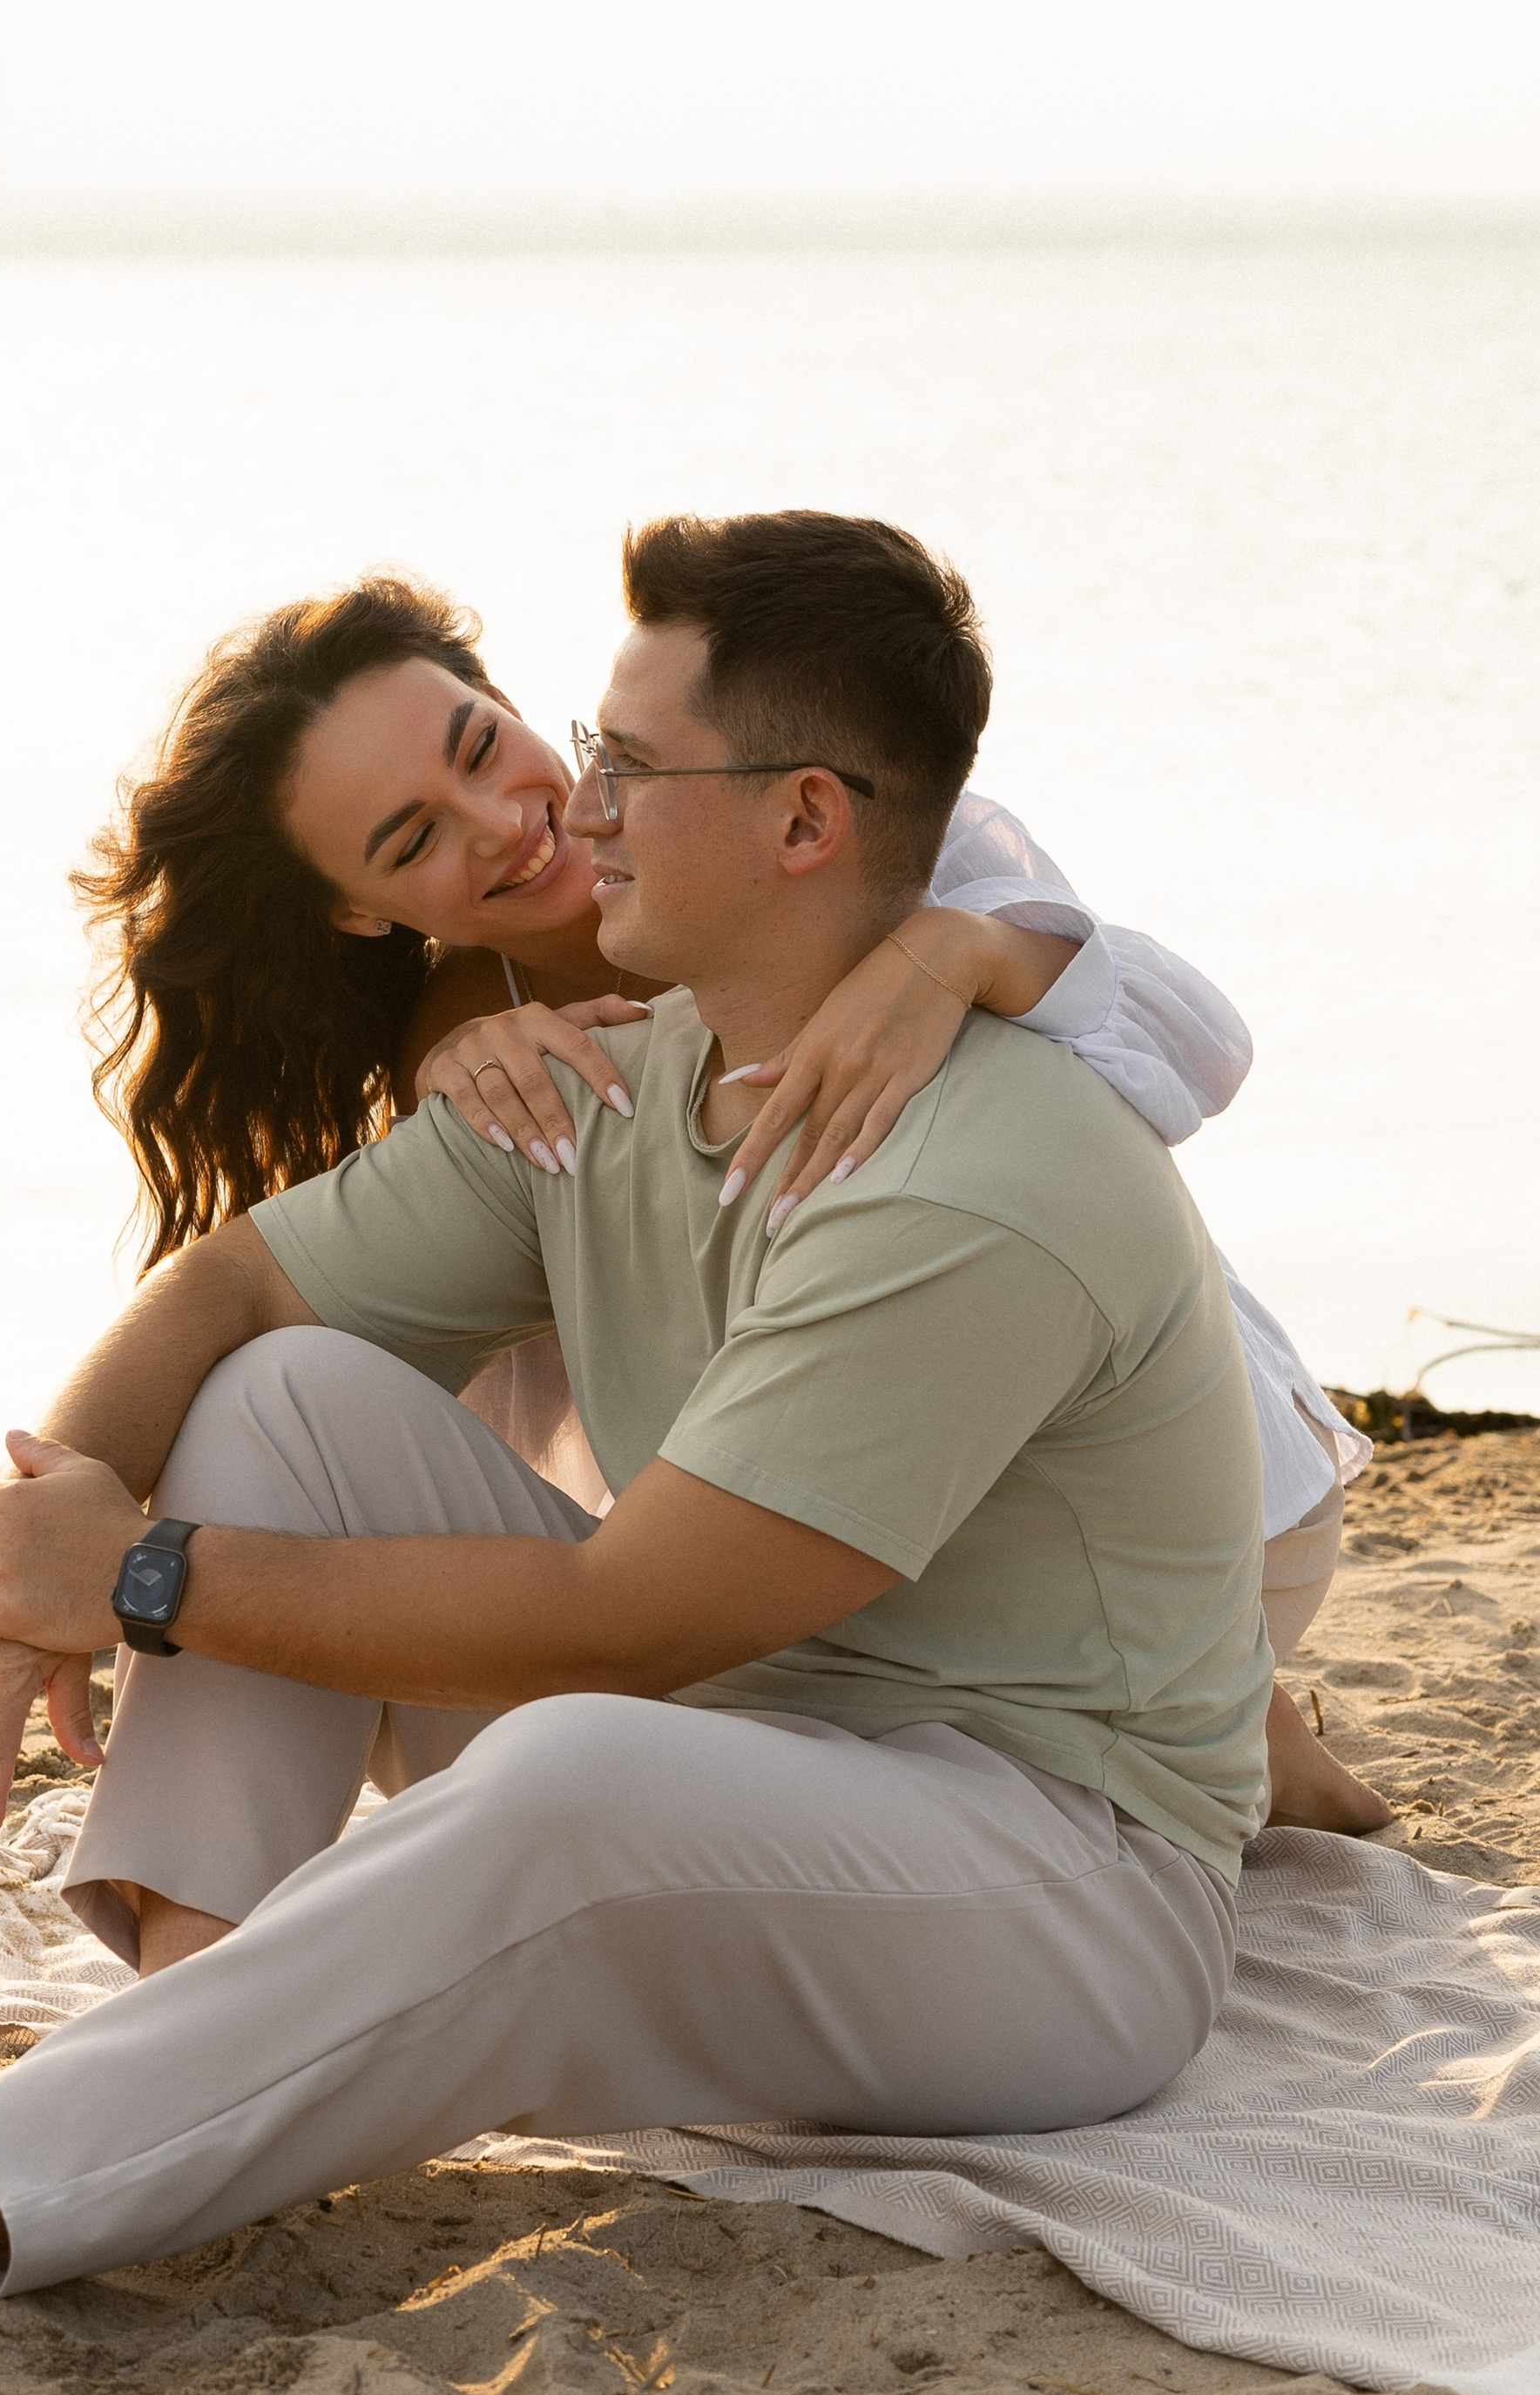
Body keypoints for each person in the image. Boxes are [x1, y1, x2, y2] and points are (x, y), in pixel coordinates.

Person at [0, 508, 1274, 2356]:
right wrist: (32, 1558)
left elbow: (630, 1626)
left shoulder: (975, 1175)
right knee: (291, 1400)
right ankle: (190, 2031)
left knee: (572, 1773)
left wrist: (140, 1576)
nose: (576, 811)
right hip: (743, 1746)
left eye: (626, 766)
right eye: (578, 750)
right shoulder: (618, 1076)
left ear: (803, 821)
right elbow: (232, 1290)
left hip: (1054, 1892)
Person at [76, 572, 1380, 1823]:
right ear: (358, 914)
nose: (503, 823)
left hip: (1181, 1523)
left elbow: (1195, 1051)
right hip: (824, 1531)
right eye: (414, 840)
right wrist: (40, 1531)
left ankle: (1254, 1733)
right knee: (313, 1399)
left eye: (480, 747)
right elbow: (329, 1310)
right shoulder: (482, 1043)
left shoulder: (838, 838)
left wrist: (960, 950)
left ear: (510, 702)